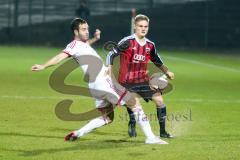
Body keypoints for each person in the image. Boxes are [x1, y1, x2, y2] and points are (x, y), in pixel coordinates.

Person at [31, 18, 168, 144]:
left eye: (87, 28)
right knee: (134, 104)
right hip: (103, 82)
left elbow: (84, 46)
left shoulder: (80, 45)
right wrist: (43, 66)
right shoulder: (73, 45)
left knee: (107, 118)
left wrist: (94, 39)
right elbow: (60, 57)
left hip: (95, 87)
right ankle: (150, 138)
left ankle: (78, 133)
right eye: (83, 29)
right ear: (76, 31)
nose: (87, 31)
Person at [106, 14, 175, 138]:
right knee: (135, 104)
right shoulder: (127, 42)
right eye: (140, 26)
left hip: (142, 80)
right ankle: (132, 123)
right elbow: (111, 54)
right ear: (135, 27)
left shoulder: (150, 45)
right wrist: (109, 69)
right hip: (126, 81)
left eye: (146, 26)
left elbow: (156, 60)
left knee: (159, 101)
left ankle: (163, 132)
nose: (143, 28)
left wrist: (167, 71)